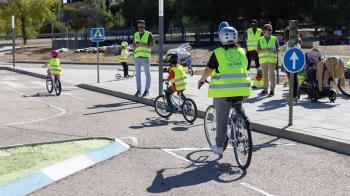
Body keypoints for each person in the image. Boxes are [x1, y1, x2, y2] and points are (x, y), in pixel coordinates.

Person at [198, 23, 252, 155]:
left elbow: (208, 70)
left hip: (223, 92)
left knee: (221, 119)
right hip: (243, 90)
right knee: (238, 107)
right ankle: (243, 121)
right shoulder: (241, 52)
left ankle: (218, 146)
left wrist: (202, 79)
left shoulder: (218, 53)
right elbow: (245, 67)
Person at [133, 19, 155, 97]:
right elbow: (133, 45)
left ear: (144, 26)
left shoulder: (149, 34)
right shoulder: (135, 34)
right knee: (138, 75)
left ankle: (147, 91)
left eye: (142, 27)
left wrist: (143, 45)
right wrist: (135, 45)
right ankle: (138, 91)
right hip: (137, 58)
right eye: (139, 27)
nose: (140, 28)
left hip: (146, 57)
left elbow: (152, 45)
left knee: (147, 75)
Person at [257, 24, 279, 96]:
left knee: (271, 75)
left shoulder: (274, 38)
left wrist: (276, 50)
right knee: (265, 75)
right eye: (269, 30)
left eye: (271, 30)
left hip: (272, 60)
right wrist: (266, 50)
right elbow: (258, 50)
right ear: (264, 30)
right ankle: (265, 90)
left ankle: (272, 91)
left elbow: (278, 49)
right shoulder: (260, 39)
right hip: (263, 61)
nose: (270, 31)